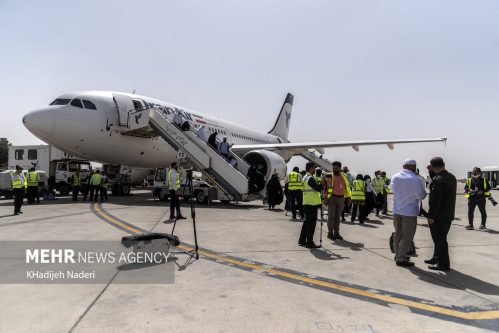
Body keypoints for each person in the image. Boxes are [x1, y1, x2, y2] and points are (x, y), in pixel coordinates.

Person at [390, 159, 427, 267]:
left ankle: (398, 254)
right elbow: (422, 195)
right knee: (408, 236)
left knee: (398, 233)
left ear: (403, 166)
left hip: (397, 210)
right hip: (409, 212)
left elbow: (392, 189)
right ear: (414, 167)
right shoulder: (416, 179)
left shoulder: (395, 177)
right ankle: (401, 258)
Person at [426, 157, 457, 271]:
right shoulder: (451, 177)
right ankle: (436, 258)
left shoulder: (438, 180)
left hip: (439, 216)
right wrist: (431, 172)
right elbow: (439, 180)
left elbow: (436, 200)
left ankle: (443, 264)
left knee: (440, 240)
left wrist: (431, 216)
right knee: (440, 239)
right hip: (448, 215)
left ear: (434, 167)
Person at [298, 162, 323, 249]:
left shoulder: (305, 177)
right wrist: (322, 182)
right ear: (310, 168)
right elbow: (318, 188)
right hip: (312, 203)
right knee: (311, 223)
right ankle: (309, 242)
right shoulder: (310, 178)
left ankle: (302, 240)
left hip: (307, 202)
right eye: (314, 168)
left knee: (306, 222)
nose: (315, 169)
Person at [325, 161, 351, 240]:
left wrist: (349, 197)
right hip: (332, 198)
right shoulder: (329, 175)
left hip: (341, 198)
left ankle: (336, 233)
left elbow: (347, 187)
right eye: (333, 168)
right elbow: (326, 188)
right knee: (331, 217)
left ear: (340, 168)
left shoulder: (344, 176)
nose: (334, 170)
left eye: (336, 168)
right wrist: (325, 197)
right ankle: (330, 233)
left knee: (337, 217)